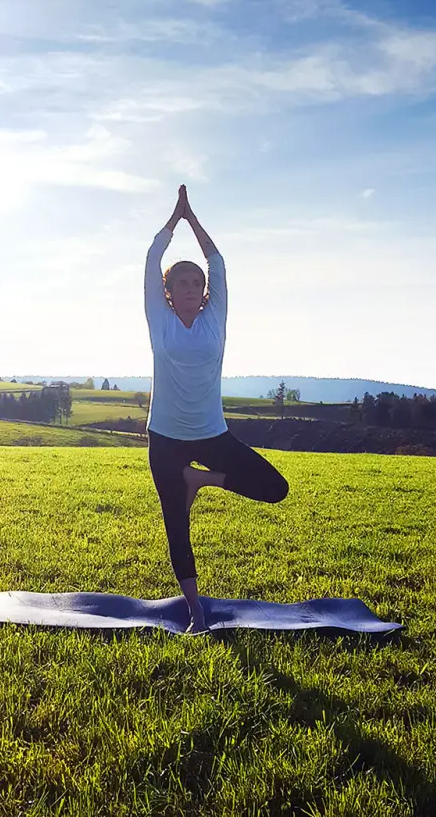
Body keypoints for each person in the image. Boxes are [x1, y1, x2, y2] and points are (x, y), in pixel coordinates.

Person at [144, 185, 289, 634]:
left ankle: (199, 480)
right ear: (167, 292)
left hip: (211, 433)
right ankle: (195, 611)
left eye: (196, 284)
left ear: (205, 293)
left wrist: (194, 220)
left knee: (274, 487)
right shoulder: (160, 319)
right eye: (180, 284)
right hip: (165, 437)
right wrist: (174, 220)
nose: (189, 289)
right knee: (176, 524)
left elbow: (218, 263)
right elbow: (152, 259)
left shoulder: (214, 318)